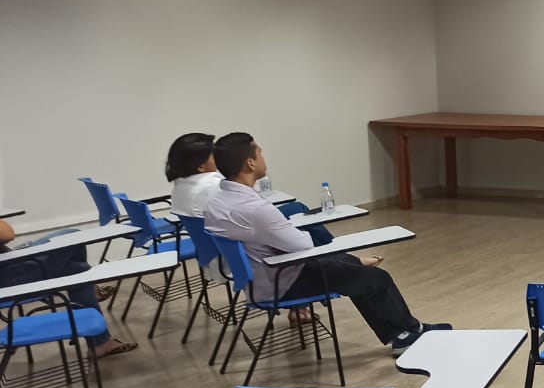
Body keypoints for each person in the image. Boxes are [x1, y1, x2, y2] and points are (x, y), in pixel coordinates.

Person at [202, 132, 447, 354]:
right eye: (260, 152)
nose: (263, 157)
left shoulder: (216, 202)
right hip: (283, 282)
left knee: (350, 269)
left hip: (259, 277)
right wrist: (286, 232)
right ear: (250, 163)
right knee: (375, 279)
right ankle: (410, 332)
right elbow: (303, 246)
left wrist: (281, 235)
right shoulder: (255, 209)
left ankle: (401, 333)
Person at [0, 218, 138, 359]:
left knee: (73, 236)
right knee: (79, 270)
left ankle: (98, 339)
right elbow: (7, 234)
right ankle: (98, 340)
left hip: (9, 262)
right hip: (8, 275)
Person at [166, 132, 332, 246]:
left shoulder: (180, 185)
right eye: (212, 154)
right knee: (298, 209)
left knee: (292, 214)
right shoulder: (210, 183)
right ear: (200, 166)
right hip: (239, 246)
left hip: (213, 250)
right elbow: (246, 209)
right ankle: (329, 247)